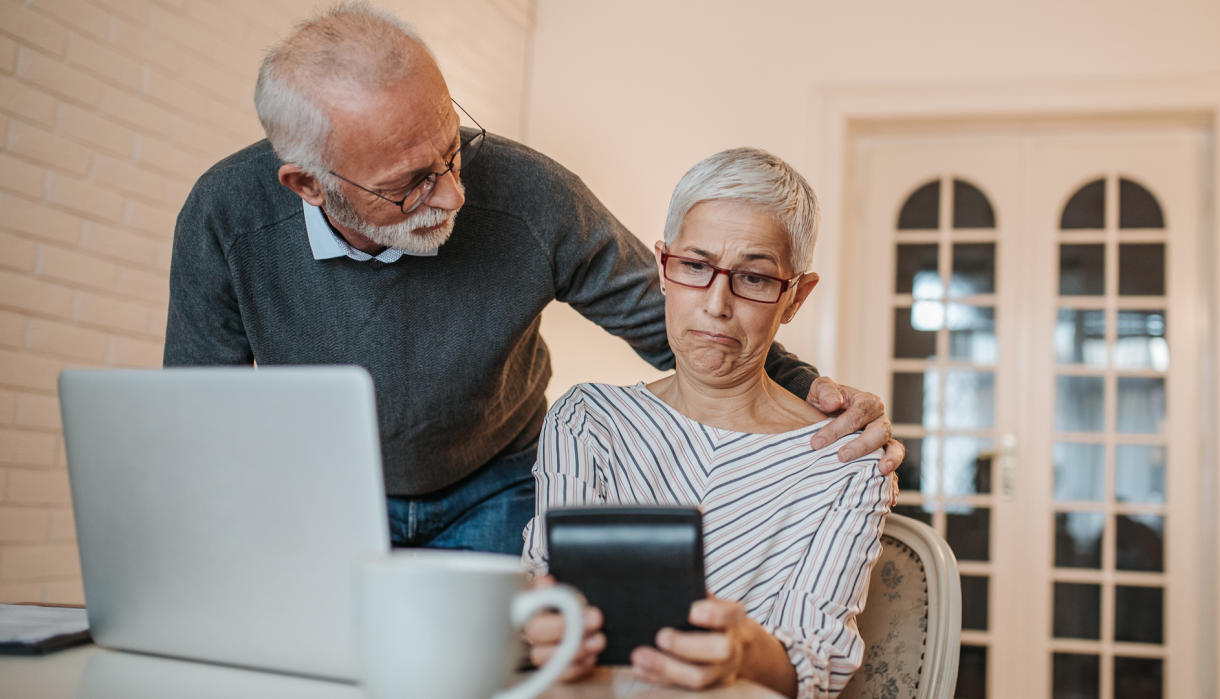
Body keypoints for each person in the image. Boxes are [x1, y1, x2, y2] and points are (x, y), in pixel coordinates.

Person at [163, 2, 901, 555]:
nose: (453, 194)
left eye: (452, 151)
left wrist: (813, 395)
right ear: (309, 185)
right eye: (411, 184)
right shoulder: (226, 220)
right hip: (324, 494)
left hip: (496, 484)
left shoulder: (530, 193)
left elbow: (682, 322)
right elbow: (201, 419)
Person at [521, 148, 892, 698]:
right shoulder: (587, 421)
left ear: (794, 297)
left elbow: (817, 667)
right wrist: (539, 629)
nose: (717, 304)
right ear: (662, 269)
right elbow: (544, 585)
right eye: (695, 267)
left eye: (755, 278)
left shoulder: (846, 462)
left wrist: (744, 650)